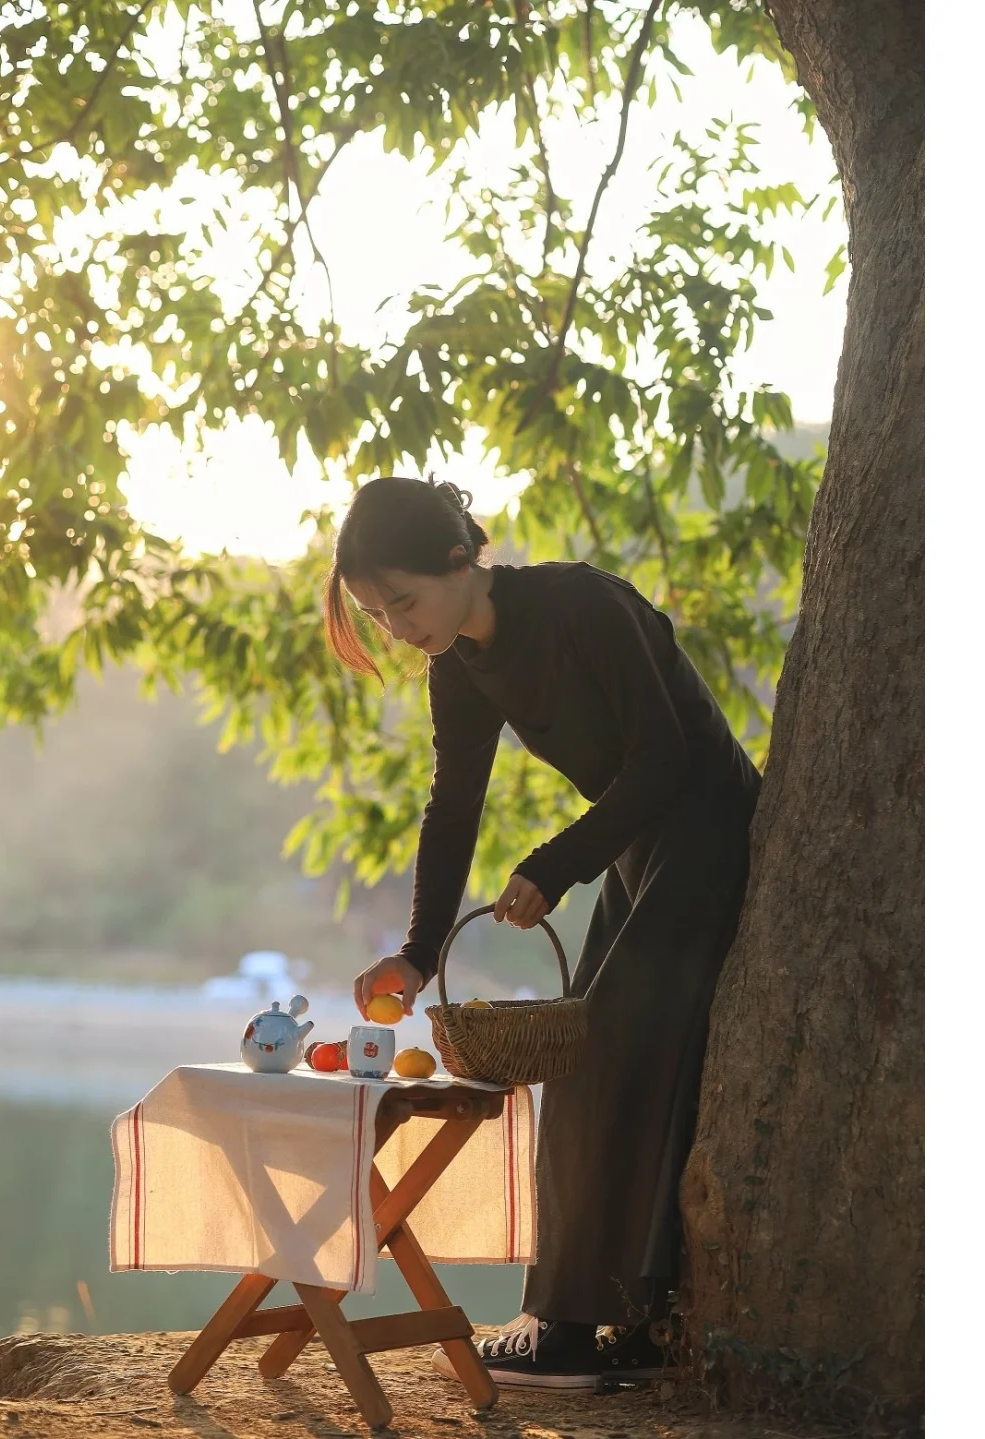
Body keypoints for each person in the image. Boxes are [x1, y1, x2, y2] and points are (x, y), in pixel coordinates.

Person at [324, 475, 761, 1390]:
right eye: (377, 613)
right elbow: (453, 810)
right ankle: (627, 1323)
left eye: (403, 600)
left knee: (598, 1054)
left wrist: (557, 864)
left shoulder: (579, 603)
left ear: (460, 558)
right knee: (586, 1052)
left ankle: (568, 1328)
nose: (398, 627)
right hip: (637, 845)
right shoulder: (460, 667)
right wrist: (419, 950)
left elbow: (667, 757)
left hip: (707, 825)